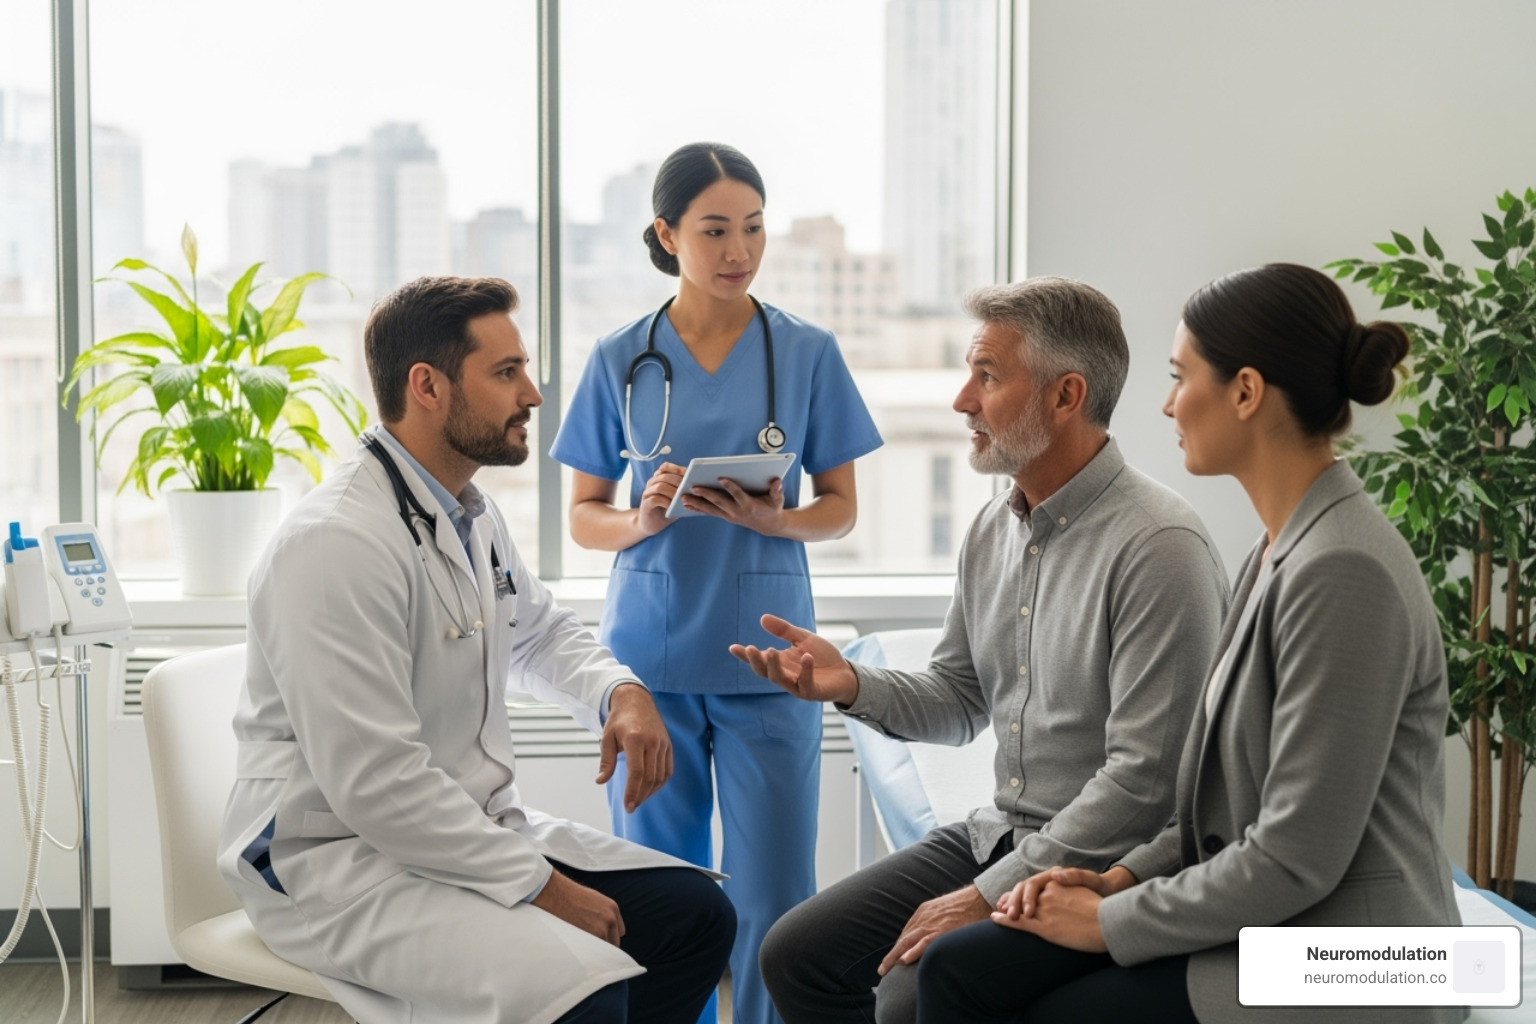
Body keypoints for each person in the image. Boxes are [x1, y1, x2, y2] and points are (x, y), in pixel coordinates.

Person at [944, 263, 1462, 1024]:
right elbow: (1219, 813)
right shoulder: (1276, 549)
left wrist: (1108, 921)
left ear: (1246, 392)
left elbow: (1293, 855)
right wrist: (1119, 879)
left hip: (1359, 958)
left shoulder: (1343, 568)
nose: (1165, 403)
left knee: (1018, 997)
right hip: (1284, 923)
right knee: (964, 970)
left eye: (1181, 376)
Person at [218, 276, 735, 1024]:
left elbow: (539, 629)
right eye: (506, 373)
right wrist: (544, 888)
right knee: (584, 983)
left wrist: (619, 692)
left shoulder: (466, 511)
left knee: (694, 915)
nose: (532, 394)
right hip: (337, 859)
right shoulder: (334, 545)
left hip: (456, 830)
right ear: (426, 386)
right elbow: (378, 785)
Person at [731, 276, 1230, 1024]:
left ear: (1066, 396)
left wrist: (984, 896)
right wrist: (850, 684)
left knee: (906, 990)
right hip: (1002, 832)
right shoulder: (993, 528)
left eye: (987, 376)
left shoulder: (1159, 547)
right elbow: (961, 699)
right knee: (796, 953)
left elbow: (1144, 785)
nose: (963, 400)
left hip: (1104, 861)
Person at [550, 143, 883, 1024]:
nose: (740, 250)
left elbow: (841, 506)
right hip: (649, 665)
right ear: (666, 234)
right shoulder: (621, 356)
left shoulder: (805, 351)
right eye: (715, 230)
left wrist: (778, 518)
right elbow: (584, 513)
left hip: (772, 660)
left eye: (754, 227)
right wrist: (643, 521)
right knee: (666, 895)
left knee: (777, 897)